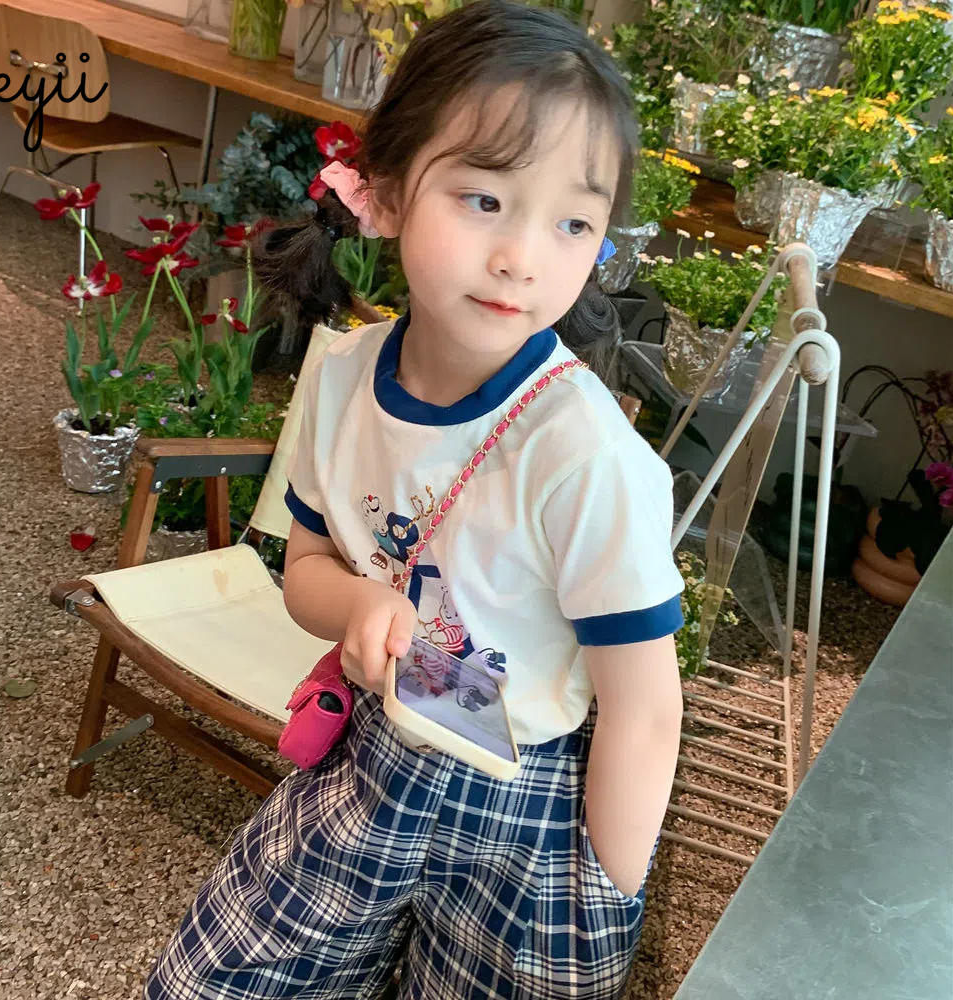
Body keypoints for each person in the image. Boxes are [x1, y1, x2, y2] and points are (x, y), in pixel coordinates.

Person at [144, 2, 685, 997]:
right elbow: (306, 566)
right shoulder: (344, 377)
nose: (523, 256)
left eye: (573, 222)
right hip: (375, 753)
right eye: (484, 199)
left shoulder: (585, 457)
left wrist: (602, 895)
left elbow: (644, 712)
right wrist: (360, 603)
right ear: (387, 191)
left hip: (525, 812)